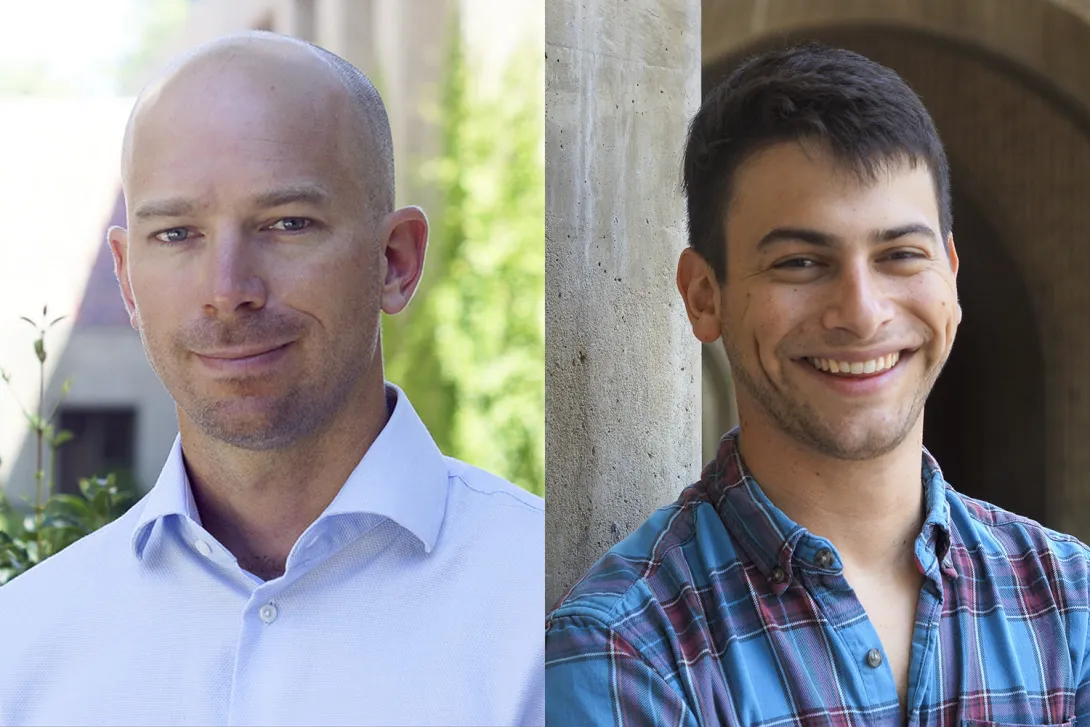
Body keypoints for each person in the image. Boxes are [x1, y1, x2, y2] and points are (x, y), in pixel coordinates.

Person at [0, 31, 544, 727]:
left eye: (288, 223)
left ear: (395, 261)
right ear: (127, 279)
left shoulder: (551, 611)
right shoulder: (23, 649)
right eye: (176, 234)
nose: (228, 290)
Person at [545, 42, 1090, 726]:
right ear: (704, 295)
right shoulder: (624, 651)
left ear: (950, 274)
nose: (862, 311)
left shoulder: (1072, 606)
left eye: (900, 255)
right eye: (801, 262)